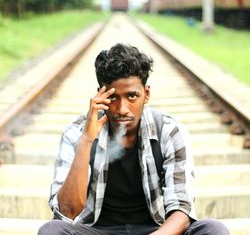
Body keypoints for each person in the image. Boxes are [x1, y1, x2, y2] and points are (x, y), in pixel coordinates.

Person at [38, 43, 229, 235]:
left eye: (132, 96)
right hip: (97, 231)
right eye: (113, 98)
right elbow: (67, 212)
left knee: (213, 230)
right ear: (100, 95)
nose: (122, 109)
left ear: (146, 94)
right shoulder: (77, 133)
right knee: (51, 231)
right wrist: (86, 140)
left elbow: (182, 210)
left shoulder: (169, 131)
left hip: (156, 230)